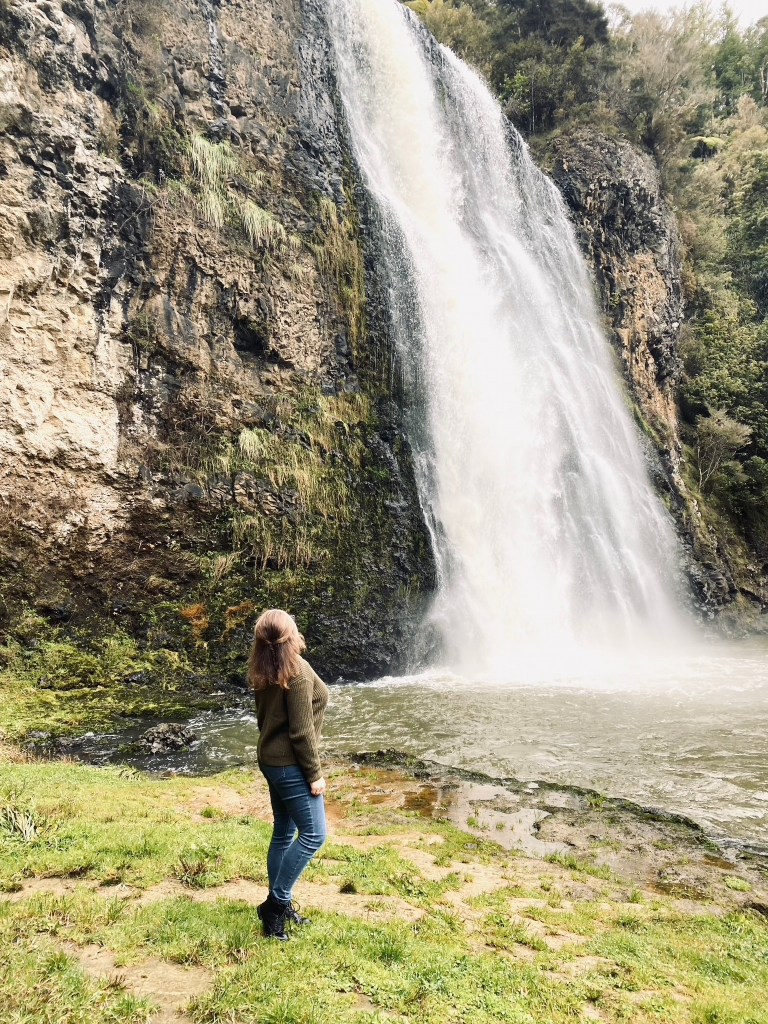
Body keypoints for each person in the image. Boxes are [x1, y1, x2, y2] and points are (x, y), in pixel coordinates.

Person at [248, 608, 329, 940]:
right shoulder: (296, 672)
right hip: (291, 766)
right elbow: (302, 732)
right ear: (290, 634)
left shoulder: (266, 668)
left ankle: (281, 903)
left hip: (271, 760)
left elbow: (263, 719)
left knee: (283, 833)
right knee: (314, 835)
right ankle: (275, 905)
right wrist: (314, 774)